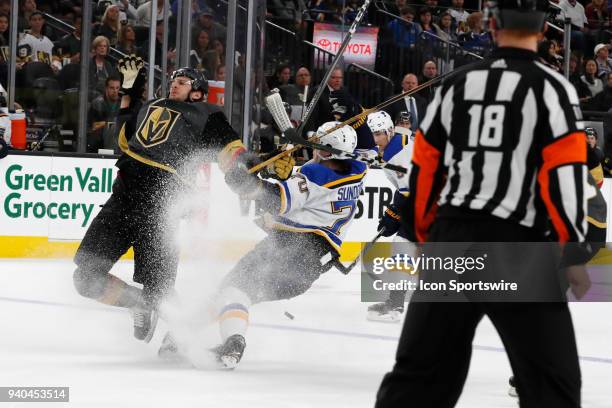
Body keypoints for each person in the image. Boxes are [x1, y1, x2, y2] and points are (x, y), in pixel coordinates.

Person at [376, 1, 590, 407]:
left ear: (491, 26)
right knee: (552, 385)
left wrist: (426, 237)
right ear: (544, 31)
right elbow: (564, 173)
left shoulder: (457, 86)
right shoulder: (553, 89)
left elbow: (424, 169)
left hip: (454, 241)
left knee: (419, 378)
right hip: (519, 246)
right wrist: (573, 249)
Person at [72, 57, 272, 343]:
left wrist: (251, 164)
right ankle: (137, 303)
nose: (173, 85)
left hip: (160, 209)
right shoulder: (151, 106)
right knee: (85, 278)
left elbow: (231, 149)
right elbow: (124, 140)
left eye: (181, 82)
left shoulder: (206, 113)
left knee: (161, 293)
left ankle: (190, 341)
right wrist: (129, 92)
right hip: (123, 199)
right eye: (172, 81)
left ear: (198, 92)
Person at [158, 122, 367, 368]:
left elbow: (276, 199)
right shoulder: (358, 169)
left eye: (318, 143)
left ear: (328, 152)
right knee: (230, 290)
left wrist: (247, 183)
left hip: (295, 250)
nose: (313, 147)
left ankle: (233, 346)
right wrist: (278, 172)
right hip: (310, 258)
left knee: (235, 290)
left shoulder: (317, 175)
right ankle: (185, 333)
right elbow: (304, 191)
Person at [365, 110, 415, 322]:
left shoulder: (399, 154)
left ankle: (395, 306)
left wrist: (395, 211)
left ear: (388, 131)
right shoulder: (396, 145)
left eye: (378, 134)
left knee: (403, 247)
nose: (375, 139)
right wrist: (395, 210)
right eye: (372, 134)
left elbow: (411, 190)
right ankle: (396, 303)